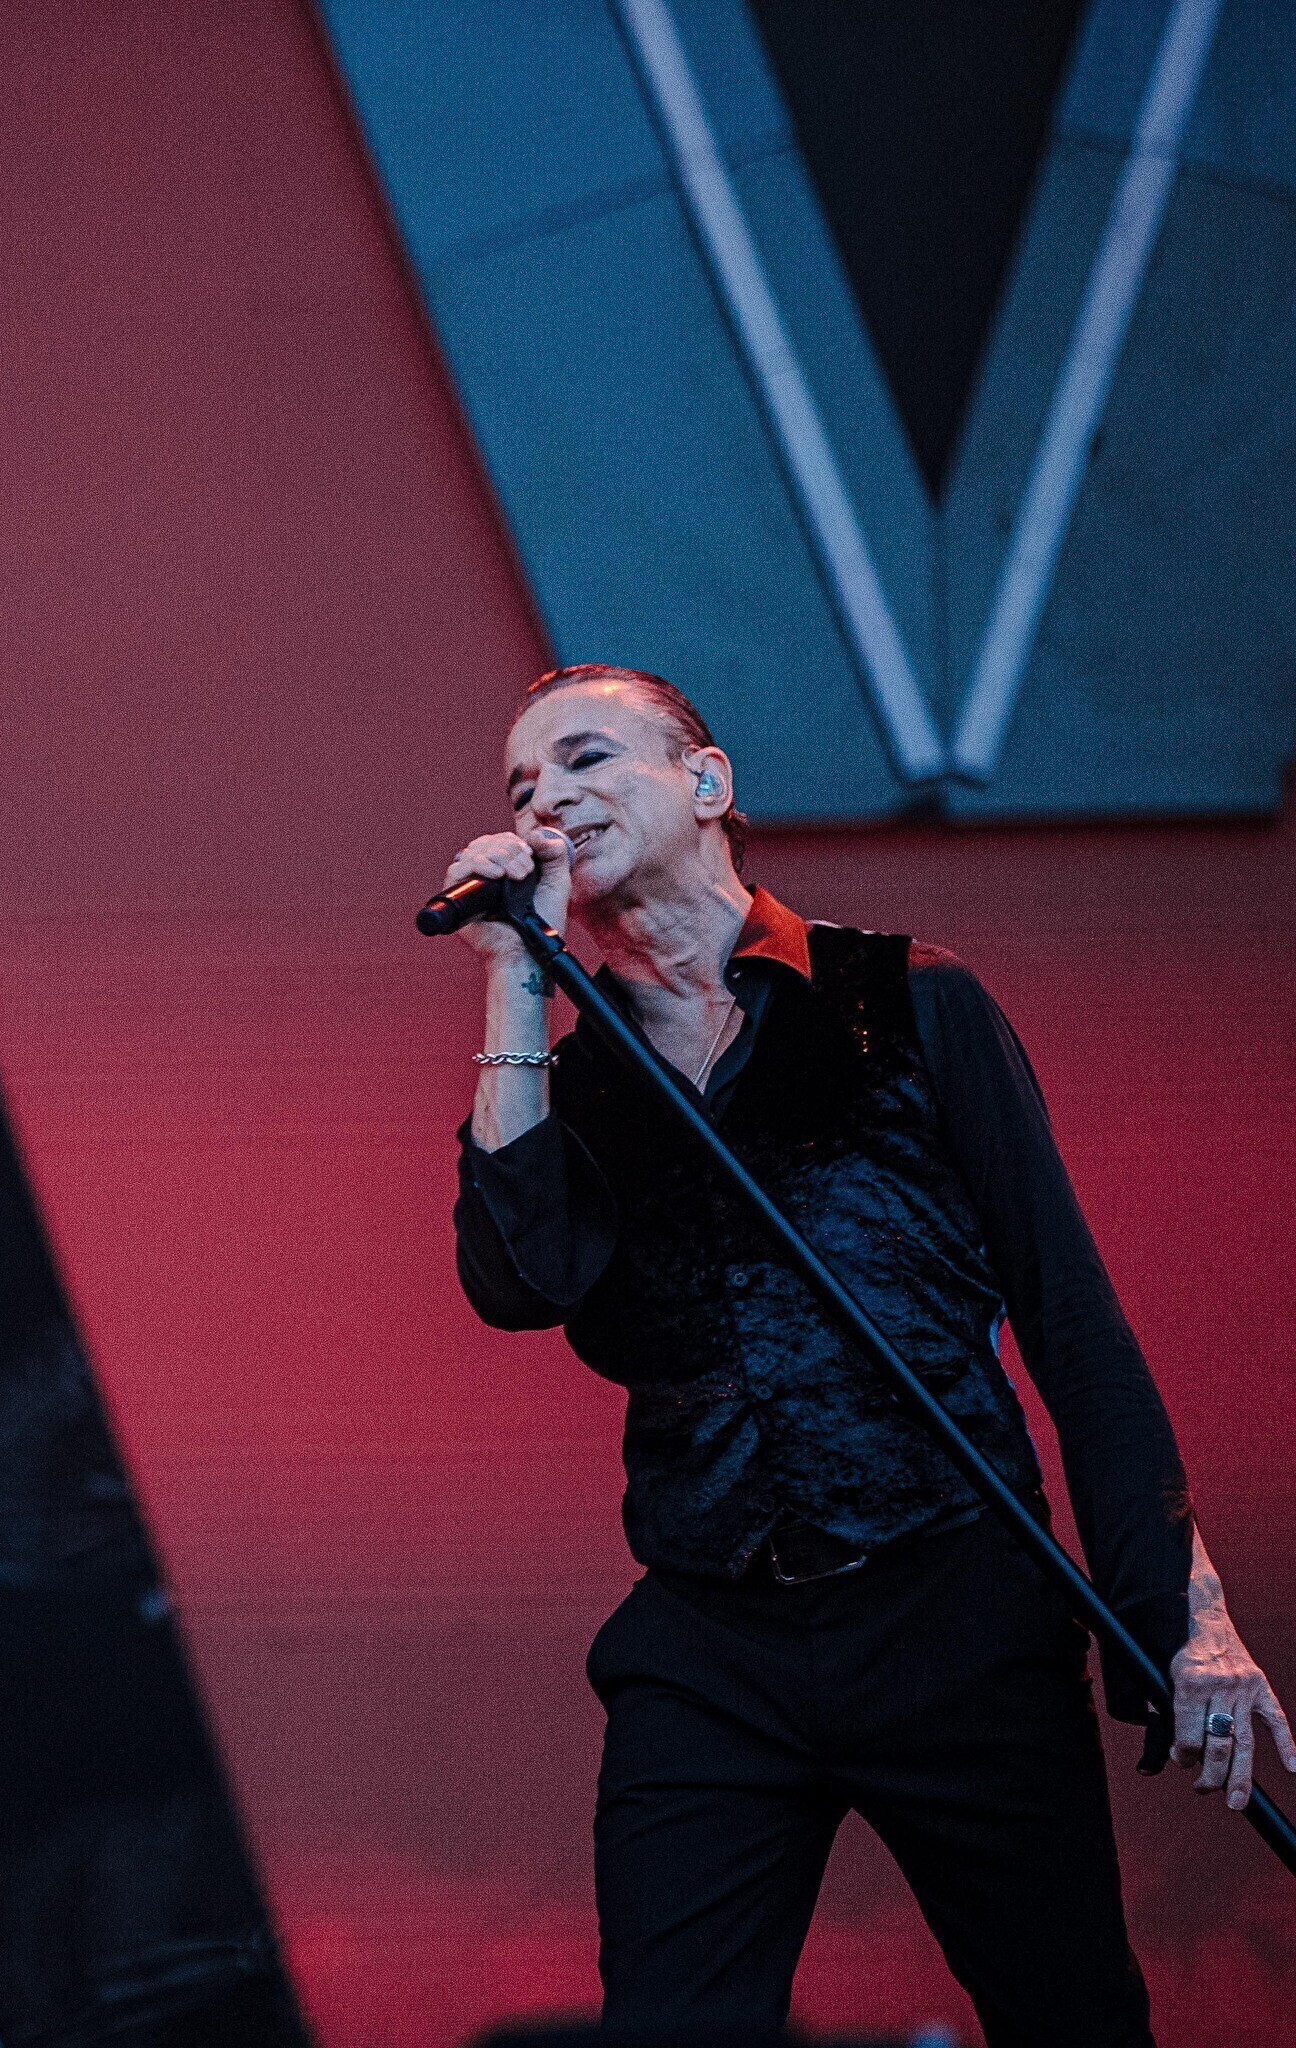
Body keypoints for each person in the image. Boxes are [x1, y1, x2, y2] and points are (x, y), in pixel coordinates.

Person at [443, 664, 1288, 2044]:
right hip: (713, 1642)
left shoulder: (905, 1001)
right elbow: (514, 1284)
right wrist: (513, 984)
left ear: (707, 785)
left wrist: (1179, 1611)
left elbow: (1070, 1320)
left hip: (951, 1605)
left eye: (587, 760)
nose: (549, 800)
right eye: (523, 786)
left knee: (1073, 2015)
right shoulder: (571, 1082)